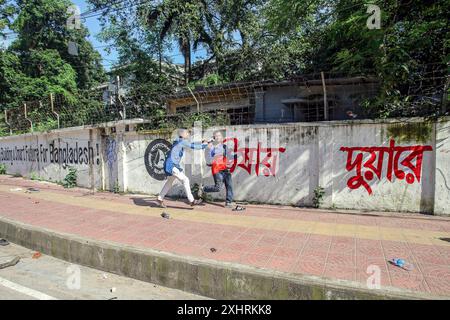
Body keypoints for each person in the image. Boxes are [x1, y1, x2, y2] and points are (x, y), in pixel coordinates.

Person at [157, 128, 207, 208]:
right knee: (185, 179)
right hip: (171, 165)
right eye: (187, 133)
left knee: (169, 182)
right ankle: (192, 201)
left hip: (170, 165)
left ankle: (160, 198)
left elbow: (190, 144)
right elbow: (193, 146)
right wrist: (204, 145)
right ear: (182, 134)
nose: (188, 134)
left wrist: (201, 143)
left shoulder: (179, 141)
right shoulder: (182, 142)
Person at [201, 130, 234, 208]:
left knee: (229, 186)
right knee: (218, 187)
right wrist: (208, 146)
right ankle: (204, 188)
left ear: (222, 137)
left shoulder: (225, 146)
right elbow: (208, 160)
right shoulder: (211, 147)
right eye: (216, 136)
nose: (217, 137)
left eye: (219, 135)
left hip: (226, 169)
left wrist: (229, 163)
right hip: (217, 169)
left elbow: (228, 157)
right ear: (214, 138)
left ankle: (228, 202)